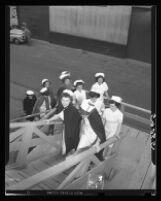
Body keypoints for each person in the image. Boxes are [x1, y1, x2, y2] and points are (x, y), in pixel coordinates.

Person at [47, 90, 82, 156]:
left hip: (71, 134)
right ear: (60, 100)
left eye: (66, 101)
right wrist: (49, 120)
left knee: (70, 148)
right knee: (69, 147)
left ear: (70, 101)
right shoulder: (68, 108)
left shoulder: (71, 110)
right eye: (63, 100)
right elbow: (58, 115)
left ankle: (68, 159)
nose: (64, 102)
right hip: (70, 132)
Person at [76, 90, 106, 161]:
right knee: (80, 145)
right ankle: (78, 161)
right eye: (92, 97)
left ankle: (85, 161)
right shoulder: (85, 101)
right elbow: (81, 113)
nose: (94, 99)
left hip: (94, 127)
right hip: (85, 127)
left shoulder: (100, 103)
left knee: (89, 147)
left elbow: (102, 115)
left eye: (95, 97)